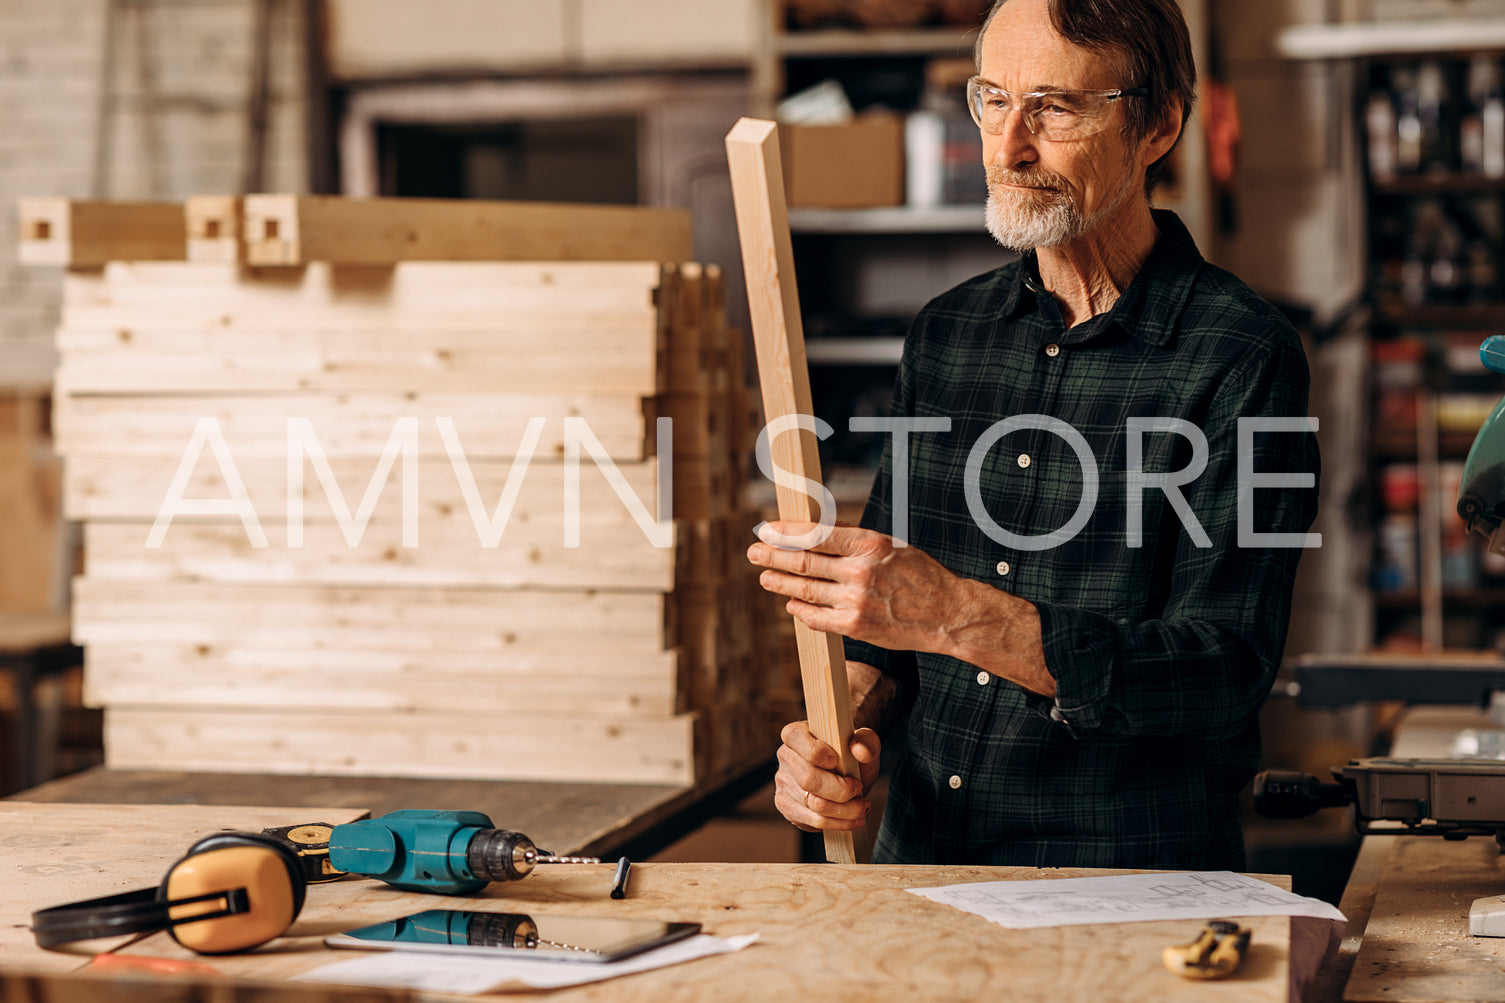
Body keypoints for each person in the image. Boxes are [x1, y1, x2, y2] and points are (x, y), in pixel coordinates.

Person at [746, 0, 1320, 870]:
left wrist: (961, 616)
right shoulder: (945, 333)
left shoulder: (1242, 355)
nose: (1007, 148)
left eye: (1053, 109)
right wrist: (839, 733)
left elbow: (1222, 669)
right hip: (925, 865)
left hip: (1124, 883)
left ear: (1158, 124)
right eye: (991, 100)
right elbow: (882, 633)